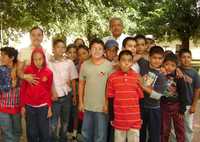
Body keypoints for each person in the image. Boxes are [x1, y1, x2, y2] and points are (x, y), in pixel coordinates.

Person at [79, 38, 113, 142]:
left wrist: (107, 104)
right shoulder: (85, 65)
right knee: (85, 133)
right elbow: (81, 85)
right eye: (94, 48)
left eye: (100, 49)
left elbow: (110, 87)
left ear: (104, 51)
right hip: (87, 106)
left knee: (100, 135)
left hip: (102, 107)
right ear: (89, 50)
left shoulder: (109, 65)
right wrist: (81, 102)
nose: (97, 51)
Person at [106, 50, 144, 142]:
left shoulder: (137, 77)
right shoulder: (112, 77)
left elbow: (141, 99)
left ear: (132, 62)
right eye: (123, 60)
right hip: (119, 119)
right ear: (119, 62)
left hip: (135, 119)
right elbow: (110, 98)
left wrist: (141, 117)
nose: (126, 63)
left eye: (129, 60)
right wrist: (111, 117)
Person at [48, 39, 78, 142]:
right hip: (55, 96)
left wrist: (74, 95)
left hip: (67, 96)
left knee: (65, 121)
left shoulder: (69, 62)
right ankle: (53, 139)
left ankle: (62, 138)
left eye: (63, 47)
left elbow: (73, 80)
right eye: (58, 47)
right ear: (53, 49)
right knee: (53, 123)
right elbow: (49, 80)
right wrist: (52, 92)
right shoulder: (49, 63)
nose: (60, 49)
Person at [20, 48, 53, 142]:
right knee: (31, 132)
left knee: (44, 132)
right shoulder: (28, 70)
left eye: (40, 59)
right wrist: (23, 106)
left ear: (44, 59)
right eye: (35, 59)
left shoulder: (49, 73)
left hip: (43, 107)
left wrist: (49, 107)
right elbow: (23, 89)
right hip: (30, 107)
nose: (38, 62)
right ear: (32, 59)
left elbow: (48, 91)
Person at [139, 46, 166, 142]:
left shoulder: (162, 75)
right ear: (149, 57)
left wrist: (142, 86)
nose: (157, 61)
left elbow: (157, 96)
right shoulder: (143, 63)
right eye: (154, 58)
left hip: (154, 109)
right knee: (140, 133)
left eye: (160, 58)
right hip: (140, 107)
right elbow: (136, 56)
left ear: (163, 59)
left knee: (154, 135)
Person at [160, 52, 188, 142]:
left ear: (176, 66)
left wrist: (182, 109)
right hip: (164, 106)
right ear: (163, 64)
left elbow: (183, 93)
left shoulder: (179, 77)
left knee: (180, 129)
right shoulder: (160, 75)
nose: (169, 67)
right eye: (167, 64)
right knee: (164, 129)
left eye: (172, 65)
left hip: (177, 106)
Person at [177, 48, 200, 142]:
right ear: (179, 58)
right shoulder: (175, 70)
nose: (186, 59)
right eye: (183, 57)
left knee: (188, 127)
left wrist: (194, 105)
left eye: (188, 57)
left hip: (188, 105)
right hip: (176, 104)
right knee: (175, 128)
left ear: (191, 58)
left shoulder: (194, 73)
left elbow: (197, 89)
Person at [0, 47, 21, 142]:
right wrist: (10, 83)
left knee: (17, 132)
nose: (1, 57)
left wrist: (16, 76)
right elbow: (3, 88)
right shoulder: (1, 70)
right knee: (7, 133)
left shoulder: (20, 70)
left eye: (3, 55)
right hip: (3, 107)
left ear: (12, 58)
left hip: (17, 107)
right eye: (1, 55)